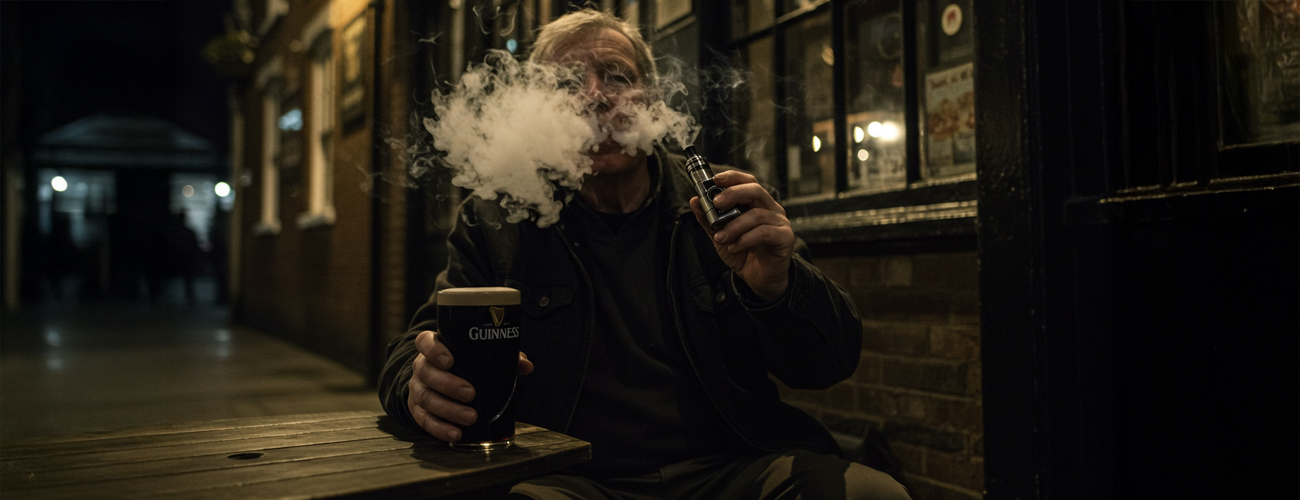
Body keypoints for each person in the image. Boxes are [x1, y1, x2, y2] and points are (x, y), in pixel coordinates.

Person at [378, 9, 911, 500]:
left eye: (616, 75)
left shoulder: (720, 205)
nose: (595, 95)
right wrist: (417, 386)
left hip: (729, 467)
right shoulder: (498, 217)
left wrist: (778, 285)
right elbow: (416, 349)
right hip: (569, 479)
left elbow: (828, 365)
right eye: (566, 84)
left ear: (650, 98)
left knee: (872, 495)